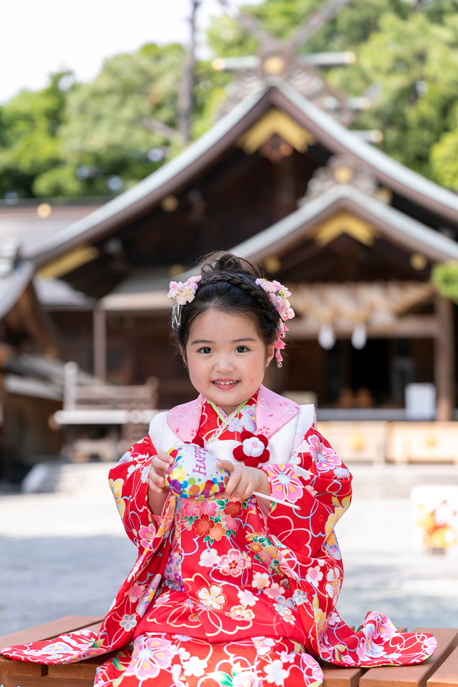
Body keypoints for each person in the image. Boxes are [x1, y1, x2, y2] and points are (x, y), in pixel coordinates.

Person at [2, 252, 436, 686]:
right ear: (184, 353)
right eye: (205, 349)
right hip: (187, 591)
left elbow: (329, 487)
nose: (223, 364)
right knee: (156, 662)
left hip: (272, 591)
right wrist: (152, 485)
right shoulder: (170, 428)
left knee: (265, 668)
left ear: (270, 350)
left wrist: (265, 481)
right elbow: (129, 486)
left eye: (241, 348)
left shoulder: (291, 424)